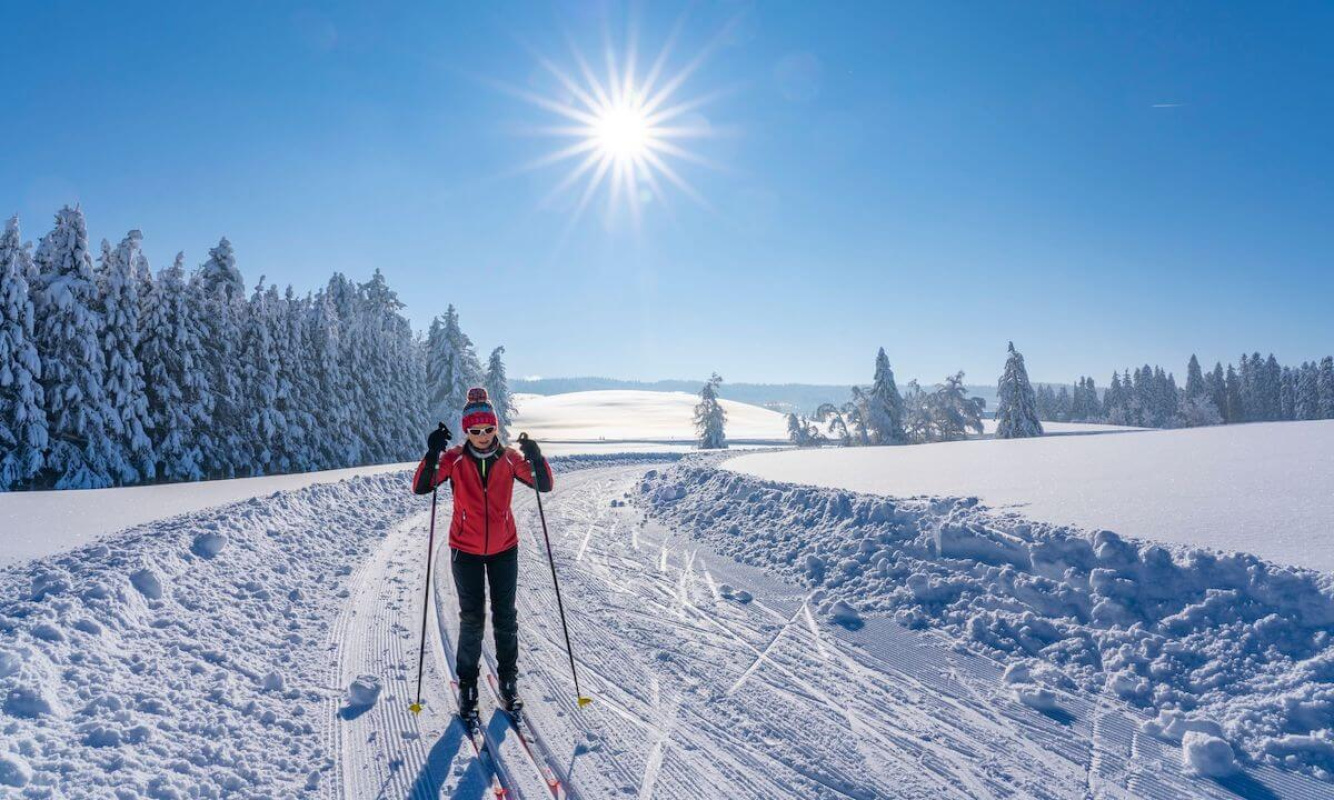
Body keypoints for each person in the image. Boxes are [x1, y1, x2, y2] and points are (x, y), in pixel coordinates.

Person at [412, 387, 554, 721]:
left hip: (505, 548)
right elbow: (422, 486)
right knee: (472, 618)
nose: (481, 436)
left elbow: (543, 484)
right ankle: (468, 686)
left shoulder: (509, 459)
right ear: (466, 431)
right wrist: (432, 454)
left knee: (506, 616)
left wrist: (536, 456)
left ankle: (508, 681)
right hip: (465, 551)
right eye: (474, 431)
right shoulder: (454, 459)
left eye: (488, 429)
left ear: (495, 427)